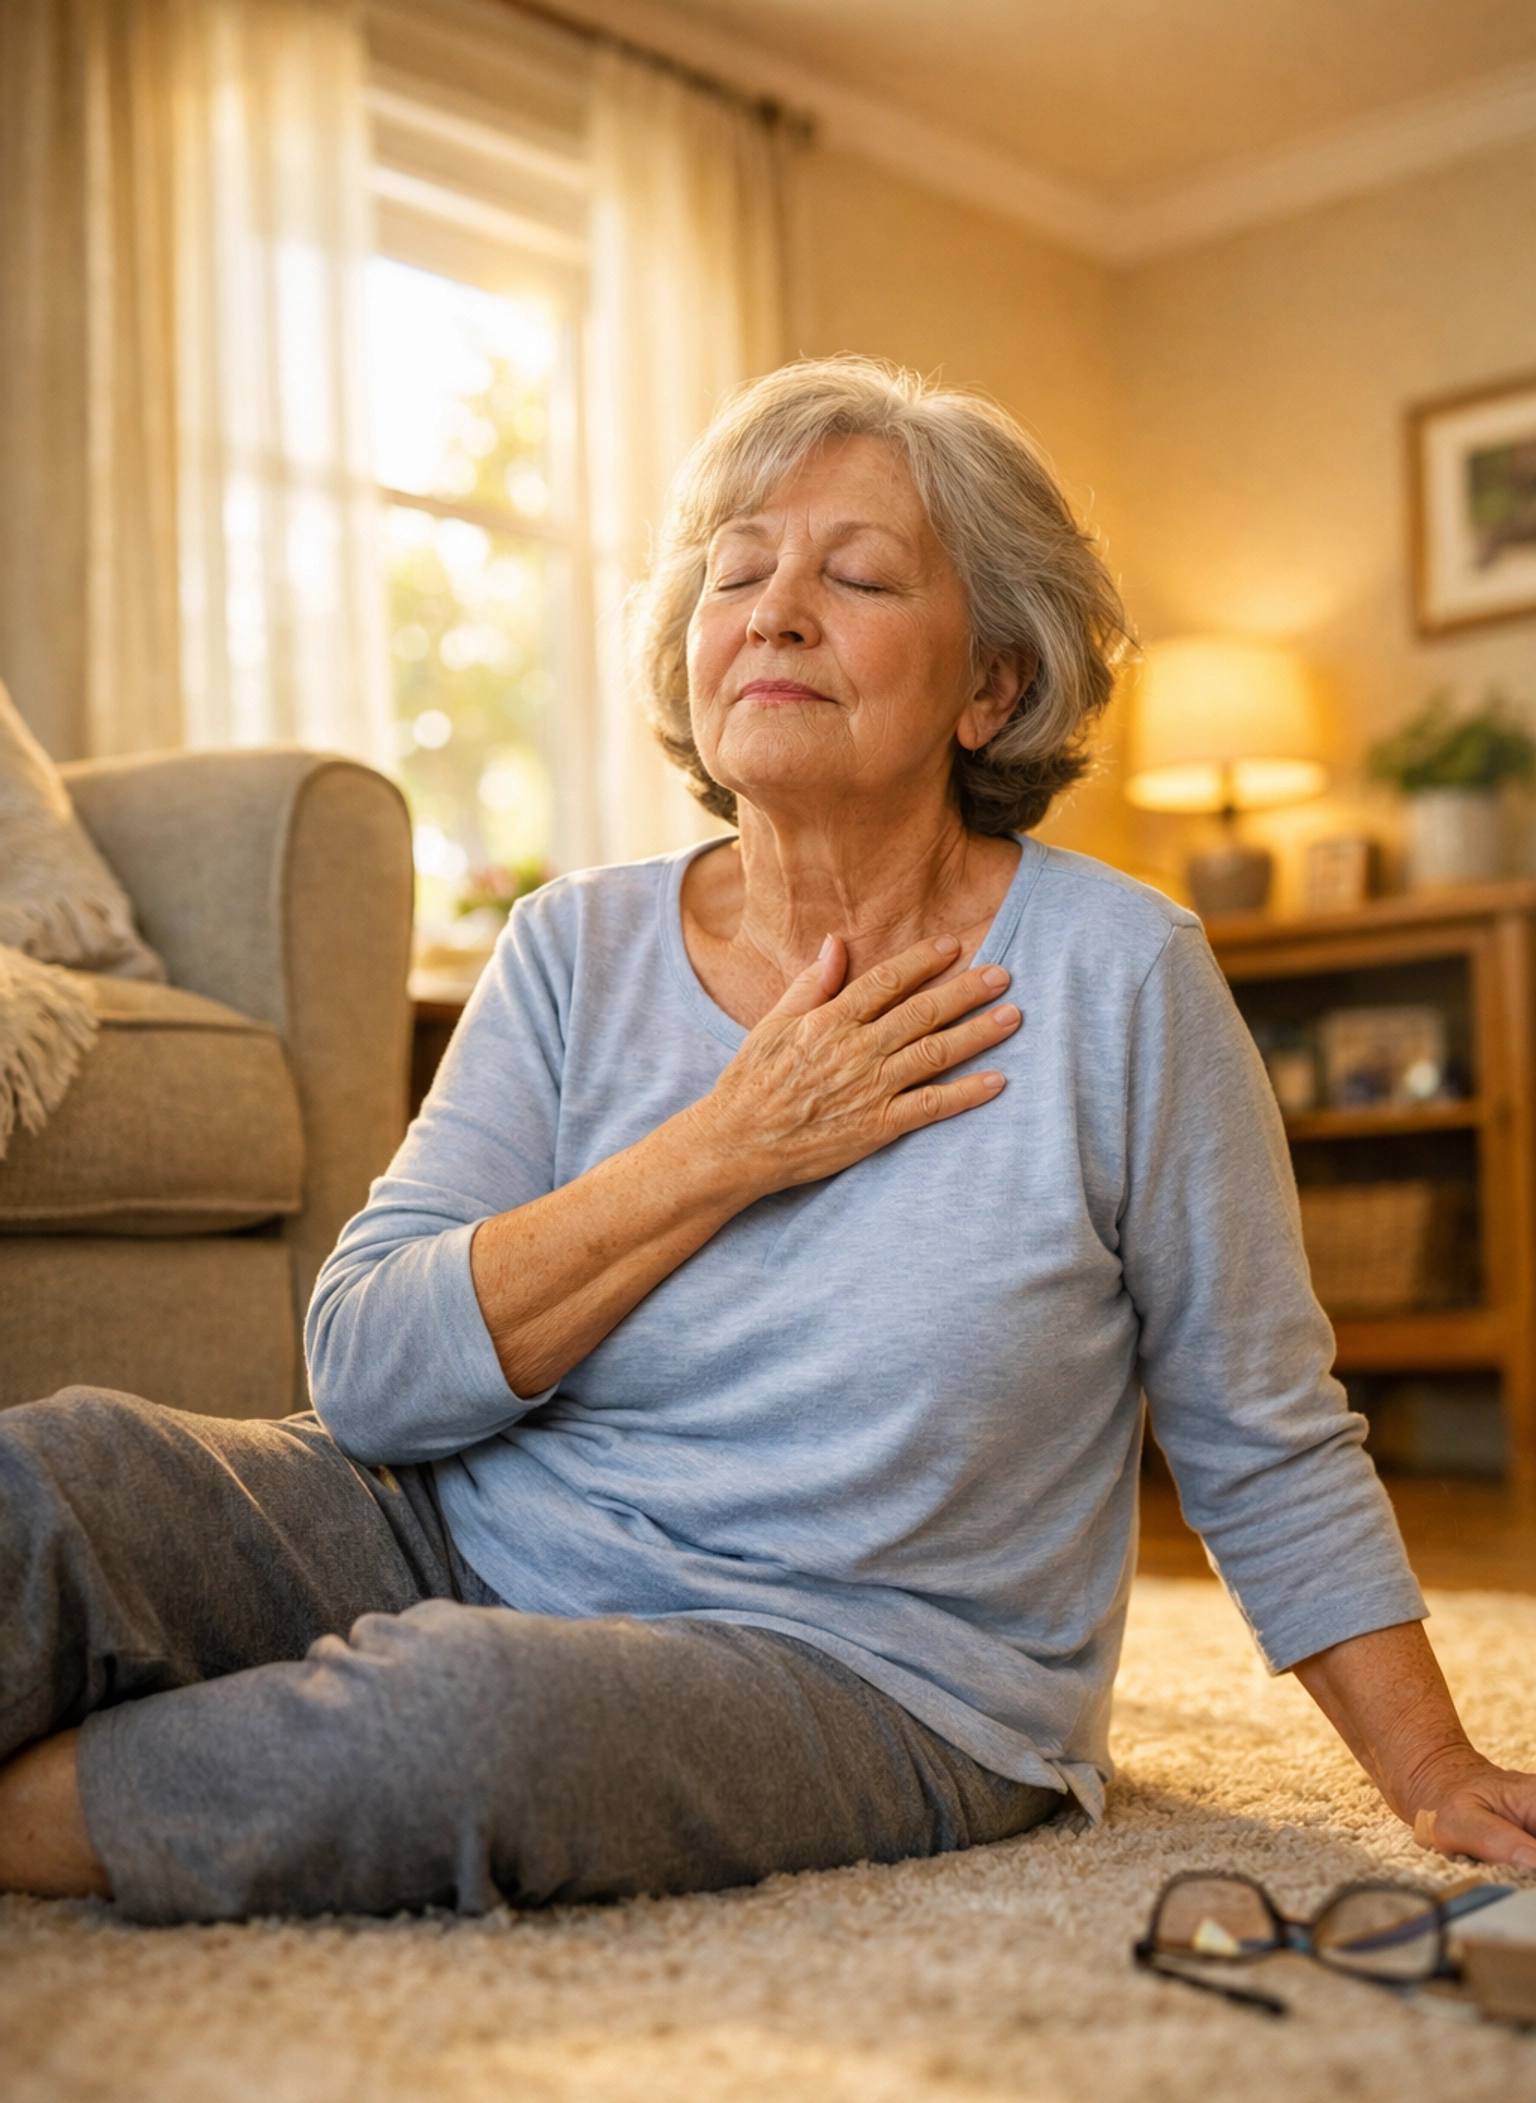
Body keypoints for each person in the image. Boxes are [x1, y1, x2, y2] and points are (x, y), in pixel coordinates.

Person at [2, 357, 1533, 1923]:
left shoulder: (1119, 976)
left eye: (858, 575)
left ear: (991, 687)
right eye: (737, 571)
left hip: (867, 1664)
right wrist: (728, 1142)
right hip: (444, 1530)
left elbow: (1254, 1420)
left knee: (456, 1722)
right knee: (56, 1474)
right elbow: (370, 1375)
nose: (774, 609)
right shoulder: (570, 947)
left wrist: (1429, 1766)